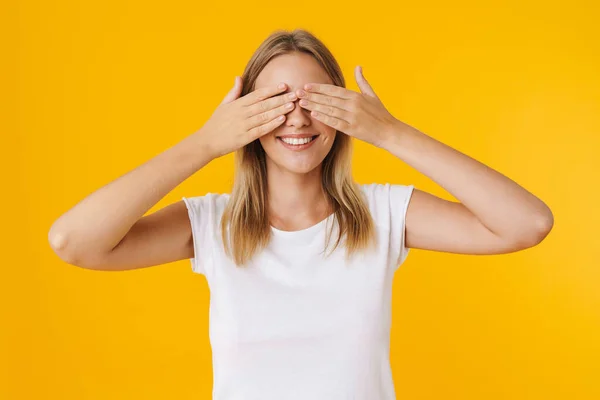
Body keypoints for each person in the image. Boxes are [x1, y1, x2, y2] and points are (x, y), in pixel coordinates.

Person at [48, 29, 554, 400]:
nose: (297, 117)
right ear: (246, 117)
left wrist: (390, 132)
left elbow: (527, 224)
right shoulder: (211, 224)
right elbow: (73, 241)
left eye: (316, 100)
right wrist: (205, 143)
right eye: (275, 102)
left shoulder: (382, 213)